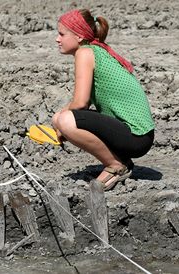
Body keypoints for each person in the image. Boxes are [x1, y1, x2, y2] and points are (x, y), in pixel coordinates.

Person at [52, 9, 155, 191]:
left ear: (78, 36)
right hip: (135, 134)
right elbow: (82, 105)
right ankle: (117, 161)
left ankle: (116, 165)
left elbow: (80, 104)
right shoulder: (94, 51)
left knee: (66, 120)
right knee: (62, 118)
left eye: (61, 34)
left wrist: (59, 121)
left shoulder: (85, 53)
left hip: (136, 136)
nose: (57, 39)